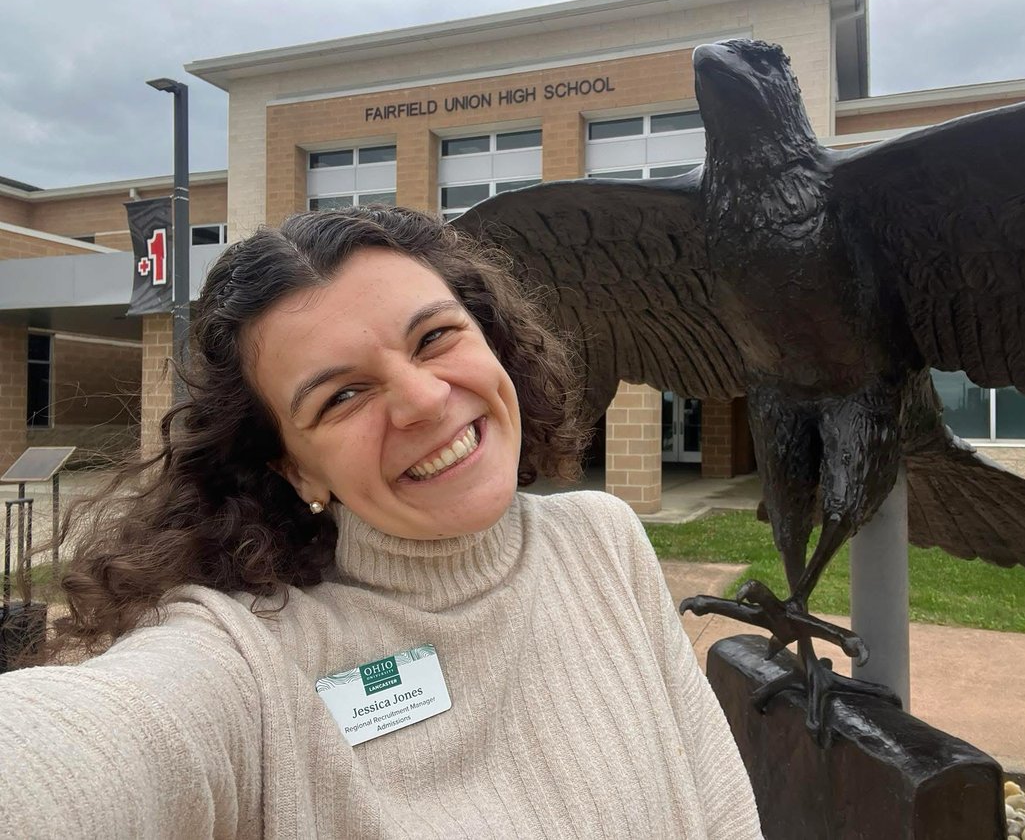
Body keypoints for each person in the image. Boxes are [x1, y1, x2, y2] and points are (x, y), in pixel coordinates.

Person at [0, 206, 763, 839]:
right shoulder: (245, 664)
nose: (426, 400)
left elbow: (724, 811)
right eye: (341, 396)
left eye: (435, 337)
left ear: (491, 338)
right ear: (294, 467)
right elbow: (85, 745)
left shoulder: (604, 542)